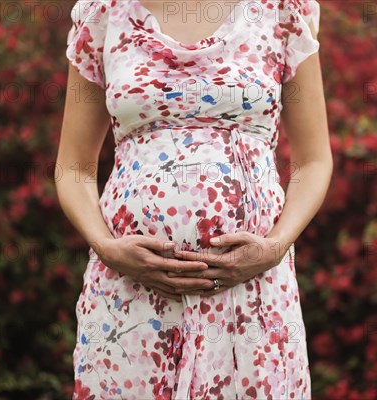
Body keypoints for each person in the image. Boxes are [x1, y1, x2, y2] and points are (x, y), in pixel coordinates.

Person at [55, 0, 332, 398]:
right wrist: (107, 247)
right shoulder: (105, 14)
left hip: (252, 295)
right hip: (131, 295)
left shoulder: (279, 12)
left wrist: (275, 246)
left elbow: (314, 161)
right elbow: (74, 169)